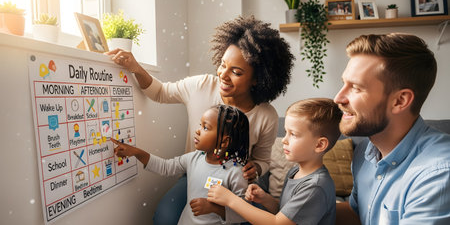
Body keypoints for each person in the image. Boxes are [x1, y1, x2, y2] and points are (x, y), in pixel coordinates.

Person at [106, 15, 294, 224]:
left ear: (258, 79)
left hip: (238, 183)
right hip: (195, 174)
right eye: (223, 65)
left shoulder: (265, 115)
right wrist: (135, 67)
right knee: (164, 218)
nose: (223, 74)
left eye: (236, 72)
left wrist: (256, 168)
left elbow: (262, 161)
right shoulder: (201, 86)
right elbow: (159, 92)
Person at [334, 33, 450, 224]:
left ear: (400, 101)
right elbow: (358, 214)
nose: (338, 98)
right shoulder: (366, 151)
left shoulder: (438, 175)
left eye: (355, 88)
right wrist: (285, 211)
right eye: (344, 83)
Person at [207, 98, 342, 225]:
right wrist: (265, 199)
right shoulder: (295, 171)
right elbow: (286, 213)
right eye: (285, 132)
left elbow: (277, 222)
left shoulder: (315, 187)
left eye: (293, 134)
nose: (284, 140)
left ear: (319, 145)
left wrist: (231, 200)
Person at [112, 105, 250, 224]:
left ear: (225, 142)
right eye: (200, 125)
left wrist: (214, 208)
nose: (198, 130)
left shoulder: (236, 173)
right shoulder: (194, 158)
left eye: (206, 128)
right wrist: (137, 152)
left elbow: (245, 213)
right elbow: (165, 167)